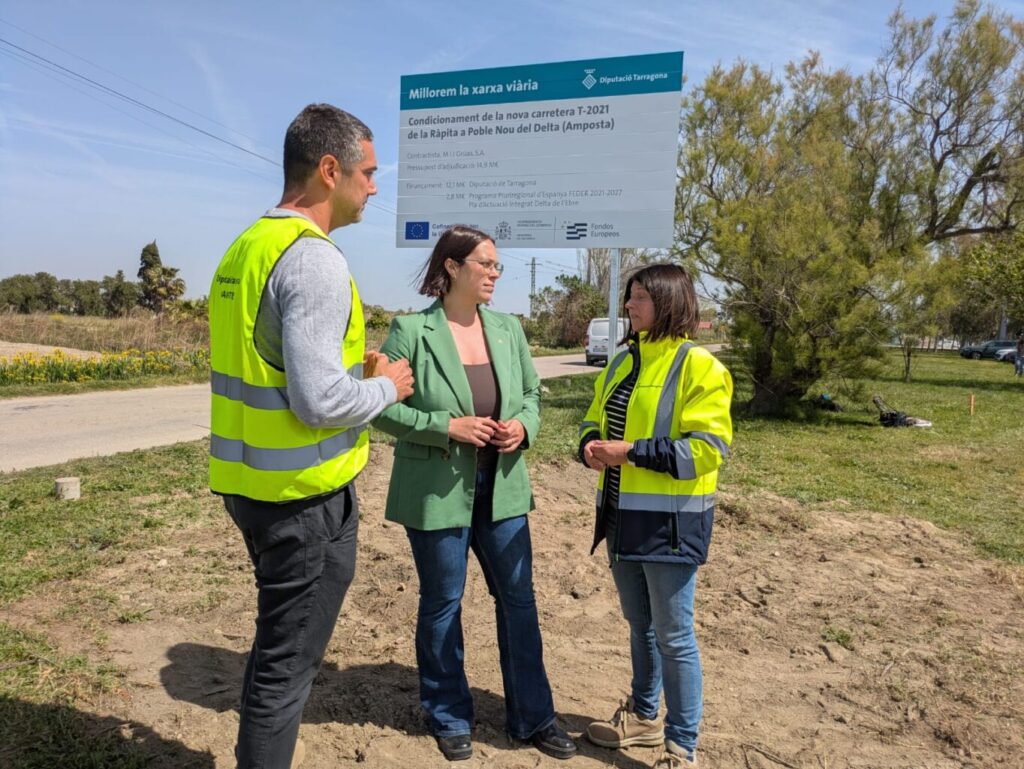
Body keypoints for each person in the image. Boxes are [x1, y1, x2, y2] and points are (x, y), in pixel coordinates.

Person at [207, 103, 414, 769]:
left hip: (252, 486)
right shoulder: (315, 261)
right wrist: (389, 388)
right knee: (285, 671)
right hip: (302, 499)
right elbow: (318, 400)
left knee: (278, 653)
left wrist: (357, 375)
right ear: (330, 170)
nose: (374, 187)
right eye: (369, 172)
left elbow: (273, 368)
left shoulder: (247, 247)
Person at [373, 225, 577, 762]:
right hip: (436, 490)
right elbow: (382, 408)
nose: (494, 273)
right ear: (452, 267)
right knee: (443, 602)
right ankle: (448, 714)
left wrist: (523, 427)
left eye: (496, 265)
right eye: (486, 264)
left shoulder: (508, 329)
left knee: (519, 601)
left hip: (503, 487)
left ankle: (534, 717)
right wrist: (447, 426)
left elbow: (531, 394)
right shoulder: (411, 331)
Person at [578, 264, 733, 768]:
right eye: (630, 296)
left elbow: (707, 451)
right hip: (620, 518)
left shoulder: (699, 366)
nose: (630, 305)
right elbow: (593, 417)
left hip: (670, 527)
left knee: (674, 636)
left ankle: (681, 746)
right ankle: (644, 718)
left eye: (640, 296)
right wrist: (589, 445)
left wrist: (630, 453)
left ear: (668, 301)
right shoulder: (622, 361)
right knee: (639, 626)